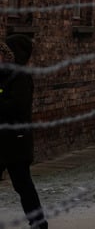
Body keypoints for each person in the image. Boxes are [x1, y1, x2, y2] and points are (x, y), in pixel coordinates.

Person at [0, 34, 48, 229]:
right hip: (4, 140)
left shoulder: (21, 77)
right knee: (23, 185)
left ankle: (38, 222)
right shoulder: (5, 75)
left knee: (23, 185)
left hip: (16, 142)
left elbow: (17, 106)